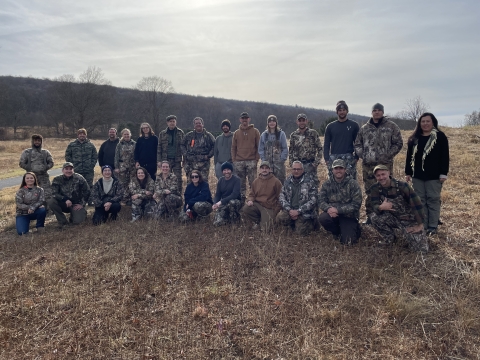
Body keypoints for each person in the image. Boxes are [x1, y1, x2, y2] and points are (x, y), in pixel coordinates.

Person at [354, 103, 403, 223]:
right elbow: (357, 144)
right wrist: (364, 156)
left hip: (384, 165)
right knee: (370, 191)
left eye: (379, 110)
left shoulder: (392, 126)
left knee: (387, 189)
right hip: (368, 166)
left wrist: (388, 155)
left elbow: (398, 143)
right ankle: (371, 216)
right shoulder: (365, 128)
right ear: (371, 112)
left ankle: (388, 215)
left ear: (382, 112)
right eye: (374, 110)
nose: (376, 112)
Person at [367, 165, 429, 253]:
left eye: (383, 174)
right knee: (374, 217)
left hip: (409, 220)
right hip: (392, 218)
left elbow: (417, 204)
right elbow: (374, 206)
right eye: (378, 175)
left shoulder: (402, 186)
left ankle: (413, 233)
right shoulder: (375, 188)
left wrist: (420, 224)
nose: (381, 177)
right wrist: (381, 207)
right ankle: (389, 238)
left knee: (421, 251)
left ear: (389, 173)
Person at [405, 112, 449, 235]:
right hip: (417, 175)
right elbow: (409, 157)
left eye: (427, 121)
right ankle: (423, 224)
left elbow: (445, 156)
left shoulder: (440, 137)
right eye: (423, 121)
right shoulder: (414, 138)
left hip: (434, 176)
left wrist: (443, 173)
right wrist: (408, 172)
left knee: (433, 200)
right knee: (420, 200)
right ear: (419, 123)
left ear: (433, 122)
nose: (425, 124)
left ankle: (433, 226)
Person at [318, 159, 362, 245]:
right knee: (323, 218)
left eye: (341, 168)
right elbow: (321, 200)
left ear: (345, 170)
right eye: (336, 168)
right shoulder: (327, 184)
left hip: (348, 216)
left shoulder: (353, 184)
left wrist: (338, 210)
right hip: (332, 215)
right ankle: (337, 232)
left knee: (348, 242)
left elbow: (356, 204)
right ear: (332, 170)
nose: (338, 170)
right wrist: (328, 209)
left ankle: (354, 229)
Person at [276, 161, 318, 235]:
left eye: (298, 169)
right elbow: (282, 196)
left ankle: (312, 223)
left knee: (300, 232)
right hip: (290, 210)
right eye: (294, 169)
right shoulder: (287, 181)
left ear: (302, 170)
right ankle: (293, 223)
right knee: (279, 218)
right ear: (291, 170)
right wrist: (289, 210)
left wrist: (298, 211)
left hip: (304, 212)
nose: (296, 171)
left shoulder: (310, 182)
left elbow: (313, 200)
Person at [242, 161, 282, 231]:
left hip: (269, 207)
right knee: (246, 208)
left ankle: (267, 221)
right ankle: (258, 221)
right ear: (260, 170)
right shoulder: (256, 181)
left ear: (270, 170)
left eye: (266, 168)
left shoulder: (276, 181)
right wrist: (250, 200)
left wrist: (276, 211)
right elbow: (252, 194)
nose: (264, 170)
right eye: (262, 168)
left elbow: (281, 198)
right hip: (258, 205)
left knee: (265, 229)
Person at [323, 101, 359, 179]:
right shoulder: (330, 126)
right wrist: (326, 158)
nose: (342, 112)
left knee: (350, 181)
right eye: (340, 110)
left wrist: (356, 157)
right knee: (333, 182)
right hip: (334, 158)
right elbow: (326, 144)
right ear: (337, 112)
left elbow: (358, 143)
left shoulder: (354, 125)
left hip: (348, 157)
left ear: (347, 111)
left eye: (344, 110)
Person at [48, 162, 90, 227]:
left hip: (76, 204)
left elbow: (87, 191)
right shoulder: (57, 179)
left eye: (70, 169)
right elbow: (54, 193)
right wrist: (64, 199)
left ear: (73, 170)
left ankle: (75, 215)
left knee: (78, 222)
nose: (68, 171)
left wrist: (82, 204)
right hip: (64, 204)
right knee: (51, 201)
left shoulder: (79, 178)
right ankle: (62, 221)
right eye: (66, 169)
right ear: (62, 170)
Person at [232, 112, 260, 201]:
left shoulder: (255, 131)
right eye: (243, 118)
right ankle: (242, 199)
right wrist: (234, 160)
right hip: (239, 161)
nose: (244, 120)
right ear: (240, 120)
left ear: (249, 119)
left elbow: (259, 146)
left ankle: (254, 199)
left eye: (246, 118)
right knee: (241, 183)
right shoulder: (236, 133)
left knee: (253, 182)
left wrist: (256, 159)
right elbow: (233, 147)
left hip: (251, 160)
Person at [289, 113, 323, 185]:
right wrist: (292, 164)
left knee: (312, 186)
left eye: (303, 120)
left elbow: (320, 149)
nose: (302, 122)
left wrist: (315, 163)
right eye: (300, 121)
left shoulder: (313, 133)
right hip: (298, 166)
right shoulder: (293, 135)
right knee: (298, 186)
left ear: (306, 121)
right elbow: (290, 151)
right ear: (297, 122)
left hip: (310, 165)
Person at [19, 134, 54, 203]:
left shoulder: (45, 152)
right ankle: (33, 210)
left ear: (41, 142)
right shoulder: (27, 152)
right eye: (35, 140)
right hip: (31, 178)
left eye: (39, 141)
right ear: (32, 141)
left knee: (47, 194)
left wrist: (45, 167)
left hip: (44, 177)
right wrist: (29, 168)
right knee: (32, 195)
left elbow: (51, 163)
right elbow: (21, 163)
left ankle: (48, 211)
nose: (37, 142)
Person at [181, 117, 215, 182]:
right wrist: (186, 154)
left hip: (204, 164)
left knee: (203, 181)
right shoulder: (189, 135)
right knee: (190, 182)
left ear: (203, 124)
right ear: (194, 125)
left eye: (199, 123)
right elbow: (182, 145)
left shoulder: (208, 136)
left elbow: (214, 146)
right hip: (190, 163)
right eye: (196, 123)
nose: (198, 125)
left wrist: (208, 155)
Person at [157, 115, 185, 191]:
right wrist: (159, 161)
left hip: (177, 159)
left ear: (176, 122)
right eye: (170, 122)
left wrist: (184, 159)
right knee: (165, 178)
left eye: (173, 121)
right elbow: (159, 147)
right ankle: (166, 195)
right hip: (165, 160)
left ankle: (178, 195)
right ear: (167, 123)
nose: (172, 123)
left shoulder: (180, 133)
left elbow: (183, 146)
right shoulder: (162, 133)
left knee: (178, 178)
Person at [258, 115, 288, 184]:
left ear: (276, 123)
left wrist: (281, 160)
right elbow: (261, 149)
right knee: (268, 184)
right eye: (270, 121)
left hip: (279, 165)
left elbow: (285, 148)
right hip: (267, 166)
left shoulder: (281, 134)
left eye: (273, 121)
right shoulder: (264, 135)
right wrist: (264, 161)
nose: (272, 123)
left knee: (280, 184)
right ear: (267, 123)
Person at [212, 162, 242, 226]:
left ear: (231, 170)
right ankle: (227, 218)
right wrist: (215, 203)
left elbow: (235, 194)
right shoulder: (221, 180)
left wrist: (221, 202)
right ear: (222, 171)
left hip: (235, 201)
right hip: (224, 203)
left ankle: (235, 221)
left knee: (232, 203)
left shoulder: (236, 179)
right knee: (217, 223)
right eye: (224, 170)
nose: (226, 172)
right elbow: (218, 194)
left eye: (228, 170)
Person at [114, 128, 136, 202]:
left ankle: (131, 197)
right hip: (122, 166)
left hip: (132, 166)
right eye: (125, 134)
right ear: (122, 135)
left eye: (128, 134)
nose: (126, 135)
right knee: (123, 182)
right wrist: (116, 167)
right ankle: (123, 198)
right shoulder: (119, 144)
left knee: (132, 182)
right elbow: (116, 156)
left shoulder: (134, 144)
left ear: (130, 134)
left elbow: (137, 155)